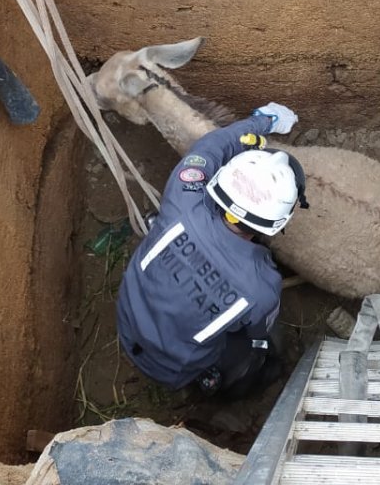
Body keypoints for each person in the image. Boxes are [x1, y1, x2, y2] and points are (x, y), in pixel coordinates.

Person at [116, 102, 308, 399]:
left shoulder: (183, 197)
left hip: (126, 321)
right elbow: (257, 331)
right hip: (170, 368)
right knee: (258, 352)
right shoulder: (261, 286)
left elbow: (211, 146)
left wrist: (263, 121)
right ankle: (235, 388)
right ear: (276, 224)